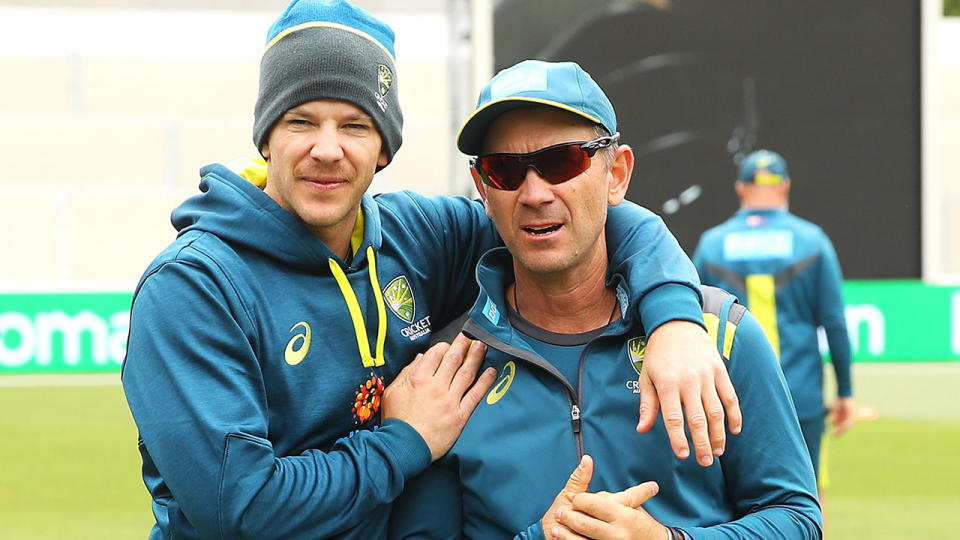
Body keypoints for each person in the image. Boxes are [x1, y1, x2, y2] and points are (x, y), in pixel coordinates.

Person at [120, 1, 742, 539]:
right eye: (300, 122)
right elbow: (239, 508)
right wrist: (406, 442)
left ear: (384, 148)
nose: (327, 148)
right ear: (266, 137)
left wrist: (674, 319)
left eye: (355, 125)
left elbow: (586, 222)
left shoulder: (417, 237)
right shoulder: (195, 287)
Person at [389, 60, 822, 539]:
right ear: (483, 191)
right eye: (504, 170)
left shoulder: (718, 335)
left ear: (617, 174)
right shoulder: (446, 372)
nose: (534, 192)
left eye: (562, 161)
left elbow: (798, 520)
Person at [692, 148, 854, 500]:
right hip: (801, 395)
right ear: (785, 186)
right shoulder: (812, 241)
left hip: (730, 394)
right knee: (805, 495)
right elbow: (835, 324)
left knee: (732, 496)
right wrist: (845, 392)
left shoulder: (712, 243)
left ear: (740, 188)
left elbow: (691, 317)